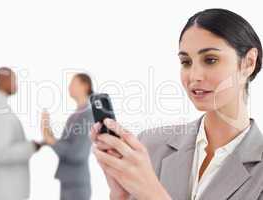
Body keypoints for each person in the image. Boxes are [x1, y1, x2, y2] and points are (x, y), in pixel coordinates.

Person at [91, 8, 263, 200]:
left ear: (248, 62)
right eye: (186, 62)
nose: (194, 76)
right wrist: (120, 195)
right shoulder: (150, 145)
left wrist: (152, 193)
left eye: (210, 60)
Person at [0, 67, 42, 200]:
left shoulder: (2, 111)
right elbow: (0, 153)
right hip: (5, 194)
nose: (16, 84)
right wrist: (31, 147)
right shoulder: (1, 115)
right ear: (4, 81)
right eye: (14, 80)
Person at [41, 73, 94, 200]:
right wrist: (47, 132)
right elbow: (63, 147)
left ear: (85, 86)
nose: (69, 87)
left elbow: (77, 153)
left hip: (76, 186)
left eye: (73, 83)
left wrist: (51, 140)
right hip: (68, 183)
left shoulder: (88, 115)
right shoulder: (75, 115)